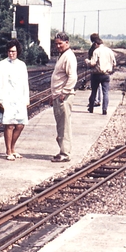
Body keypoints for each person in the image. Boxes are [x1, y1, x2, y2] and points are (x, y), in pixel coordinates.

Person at [0, 40, 30, 160]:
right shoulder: (2, 64)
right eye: (9, 51)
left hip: (19, 98)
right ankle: (8, 151)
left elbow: (25, 83)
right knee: (9, 125)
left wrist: (27, 98)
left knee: (20, 125)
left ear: (17, 52)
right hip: (7, 98)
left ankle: (13, 147)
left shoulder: (22, 65)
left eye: (13, 51)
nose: (11, 53)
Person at [50, 32, 77, 162]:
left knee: (64, 125)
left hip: (64, 97)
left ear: (67, 43)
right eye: (56, 44)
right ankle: (62, 150)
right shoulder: (62, 56)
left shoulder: (69, 57)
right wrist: (54, 94)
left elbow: (73, 77)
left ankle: (65, 153)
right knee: (60, 125)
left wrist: (64, 92)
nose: (58, 46)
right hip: (59, 96)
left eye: (60, 43)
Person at [85, 37, 117, 115]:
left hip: (96, 74)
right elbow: (114, 64)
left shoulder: (96, 51)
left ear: (96, 44)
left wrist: (87, 61)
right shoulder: (110, 51)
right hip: (106, 74)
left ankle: (91, 108)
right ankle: (104, 109)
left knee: (94, 91)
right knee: (105, 92)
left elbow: (93, 63)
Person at [88, 32, 102, 107]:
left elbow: (91, 55)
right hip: (102, 68)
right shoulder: (101, 45)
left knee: (95, 86)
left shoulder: (94, 47)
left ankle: (95, 100)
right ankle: (98, 100)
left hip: (95, 68)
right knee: (99, 86)